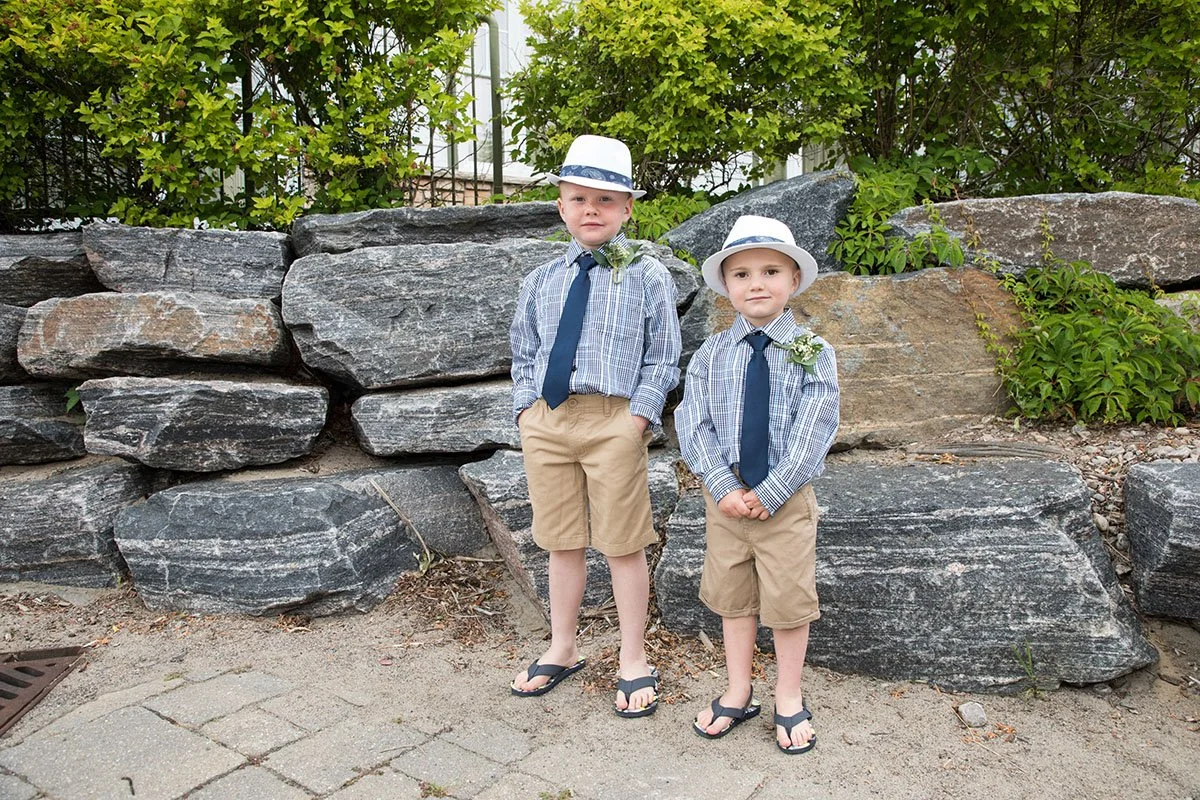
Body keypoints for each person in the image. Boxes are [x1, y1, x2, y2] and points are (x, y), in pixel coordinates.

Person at [509, 134, 682, 718]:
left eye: (606, 200)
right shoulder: (540, 281)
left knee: (623, 543)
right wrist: (527, 409)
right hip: (550, 420)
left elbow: (663, 356)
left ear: (627, 208)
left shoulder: (648, 276)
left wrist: (638, 417)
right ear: (560, 204)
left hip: (614, 420)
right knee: (561, 541)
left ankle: (633, 657)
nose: (591, 210)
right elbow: (525, 352)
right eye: (579, 198)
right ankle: (562, 646)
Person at [674, 214, 839, 753]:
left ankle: (788, 696)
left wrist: (771, 492)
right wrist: (722, 486)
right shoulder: (710, 355)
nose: (756, 284)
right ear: (726, 286)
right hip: (725, 501)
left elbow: (816, 426)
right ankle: (739, 689)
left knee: (789, 602)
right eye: (741, 274)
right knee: (733, 598)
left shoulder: (813, 351)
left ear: (793, 281)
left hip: (783, 503)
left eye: (771, 271)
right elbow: (691, 422)